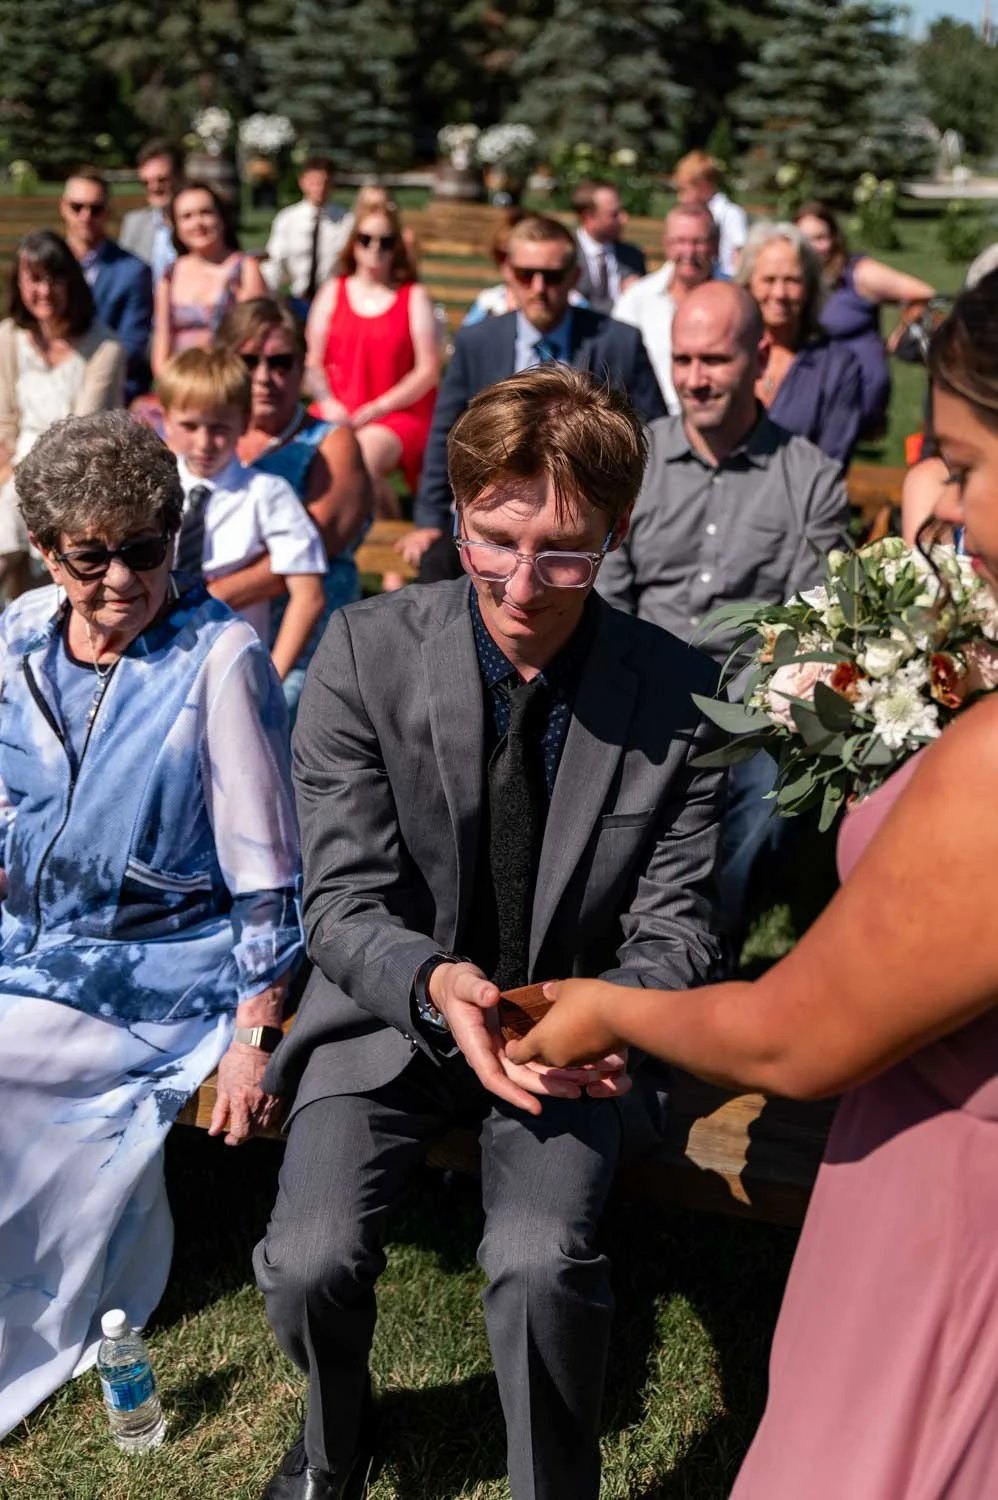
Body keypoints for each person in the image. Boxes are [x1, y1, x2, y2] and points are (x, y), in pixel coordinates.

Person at [510, 276, 998, 1500]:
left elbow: (794, 1037)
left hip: (944, 1219)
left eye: (963, 467)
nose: (949, 511)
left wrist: (607, 1006)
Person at [253, 363, 724, 1500]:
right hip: (391, 1011)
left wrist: (602, 1015)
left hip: (570, 1038)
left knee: (539, 1262)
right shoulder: (362, 652)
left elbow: (680, 928)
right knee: (306, 1260)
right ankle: (332, 1442)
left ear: (616, 532)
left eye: (563, 554)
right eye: (494, 541)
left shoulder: (682, 694)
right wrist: (435, 986)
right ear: (457, 513)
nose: (521, 584)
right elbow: (341, 902)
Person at [0, 409, 302, 1438]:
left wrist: (255, 1036)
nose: (123, 579)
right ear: (45, 550)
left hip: (155, 971)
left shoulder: (219, 659)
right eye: (91, 558)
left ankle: (31, 1312)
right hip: (26, 944)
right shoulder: (20, 632)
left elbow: (267, 875)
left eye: (145, 548)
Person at [598, 281, 849, 948]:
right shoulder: (633, 460)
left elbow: (808, 625)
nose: (695, 379)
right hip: (637, 682)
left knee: (770, 785)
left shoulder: (809, 478)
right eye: (683, 360)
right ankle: (618, 931)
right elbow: (609, 597)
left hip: (752, 705)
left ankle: (710, 935)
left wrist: (740, 712)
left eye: (714, 360)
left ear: (760, 358)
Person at [405, 213, 666, 579]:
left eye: (552, 276)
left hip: (582, 521)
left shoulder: (618, 343)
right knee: (438, 568)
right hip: (496, 512)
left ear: (574, 277)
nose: (539, 287)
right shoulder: (478, 342)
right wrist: (429, 520)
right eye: (527, 274)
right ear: (508, 272)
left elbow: (654, 434)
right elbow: (446, 433)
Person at [214, 297, 373, 719]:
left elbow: (308, 552)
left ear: (303, 366)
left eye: (281, 362)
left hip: (303, 650)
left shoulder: (330, 444)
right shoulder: (208, 441)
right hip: (219, 637)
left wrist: (203, 599)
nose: (264, 377)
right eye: (249, 361)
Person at [159, 347, 327, 682]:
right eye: (189, 426)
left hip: (231, 669)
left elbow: (308, 594)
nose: (205, 443)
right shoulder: (153, 485)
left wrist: (272, 677)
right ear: (165, 420)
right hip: (156, 663)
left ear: (244, 421)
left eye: (219, 428)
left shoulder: (267, 494)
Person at [0, 231, 126, 601]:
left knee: (10, 512)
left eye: (55, 279)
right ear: (20, 283)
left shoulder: (104, 348)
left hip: (73, 471)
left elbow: (82, 432)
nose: (45, 291)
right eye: (35, 279)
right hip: (12, 466)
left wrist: (19, 480)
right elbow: (5, 421)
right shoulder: (8, 338)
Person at [304, 199, 438, 517]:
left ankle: (389, 538)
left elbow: (428, 370)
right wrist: (328, 402)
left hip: (395, 412)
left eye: (385, 241)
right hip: (336, 407)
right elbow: (312, 361)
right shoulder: (332, 292)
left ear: (396, 248)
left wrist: (377, 408)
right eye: (366, 239)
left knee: (360, 460)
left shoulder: (413, 297)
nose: (375, 248)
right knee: (305, 459)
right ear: (354, 244)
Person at [796, 200, 934, 440]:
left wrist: (898, 336)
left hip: (862, 383)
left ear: (834, 238)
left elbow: (923, 293)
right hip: (818, 385)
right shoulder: (798, 276)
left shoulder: (858, 273)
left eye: (821, 238)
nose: (814, 247)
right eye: (806, 239)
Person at [736, 220, 864, 468]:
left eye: (792, 280)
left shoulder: (837, 366)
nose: (780, 293)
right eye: (769, 280)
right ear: (748, 284)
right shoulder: (728, 354)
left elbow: (832, 462)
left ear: (809, 287)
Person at [151, 179, 268, 377]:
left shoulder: (245, 269)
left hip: (229, 379)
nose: (198, 223)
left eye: (205, 212)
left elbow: (256, 338)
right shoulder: (170, 275)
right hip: (182, 381)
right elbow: (162, 339)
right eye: (187, 216)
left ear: (221, 217)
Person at [612, 202, 719, 412]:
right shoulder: (637, 299)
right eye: (681, 241)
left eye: (698, 242)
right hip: (649, 419)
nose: (689, 252)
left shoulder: (735, 299)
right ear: (666, 244)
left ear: (715, 244)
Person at [59, 166, 153, 402]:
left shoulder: (134, 271)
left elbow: (132, 345)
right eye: (77, 207)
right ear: (63, 207)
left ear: (108, 212)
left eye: (96, 209)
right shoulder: (48, 266)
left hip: (113, 389)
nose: (86, 216)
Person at [262, 155, 353, 322]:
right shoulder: (287, 219)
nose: (320, 188)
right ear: (302, 182)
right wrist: (268, 298)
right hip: (299, 299)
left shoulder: (346, 221)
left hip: (334, 300)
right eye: (314, 182)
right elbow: (274, 261)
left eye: (325, 183)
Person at [572, 179, 646, 313]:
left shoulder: (632, 257)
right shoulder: (567, 254)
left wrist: (638, 293)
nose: (624, 219)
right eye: (614, 214)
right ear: (588, 217)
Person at [673, 150, 748, 278]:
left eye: (684, 190)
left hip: (726, 277)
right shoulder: (695, 215)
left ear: (703, 186)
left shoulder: (730, 213)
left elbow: (739, 254)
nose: (680, 198)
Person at [119, 138, 184, 285]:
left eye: (162, 180)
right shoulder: (134, 223)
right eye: (146, 182)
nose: (154, 188)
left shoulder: (195, 225)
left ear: (180, 177)